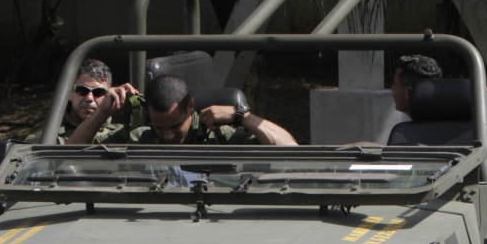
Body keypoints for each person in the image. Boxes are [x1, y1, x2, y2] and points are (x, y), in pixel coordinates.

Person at [89, 74, 298, 146]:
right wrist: (101, 113)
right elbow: (67, 159)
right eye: (159, 128)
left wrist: (241, 116)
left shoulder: (218, 135)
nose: (168, 136)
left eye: (175, 126)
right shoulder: (138, 138)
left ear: (191, 107)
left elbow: (290, 148)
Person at [23, 58, 139, 144]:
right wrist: (101, 113)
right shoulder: (48, 134)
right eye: (82, 90)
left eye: (98, 92)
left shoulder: (122, 133)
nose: (89, 98)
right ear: (70, 94)